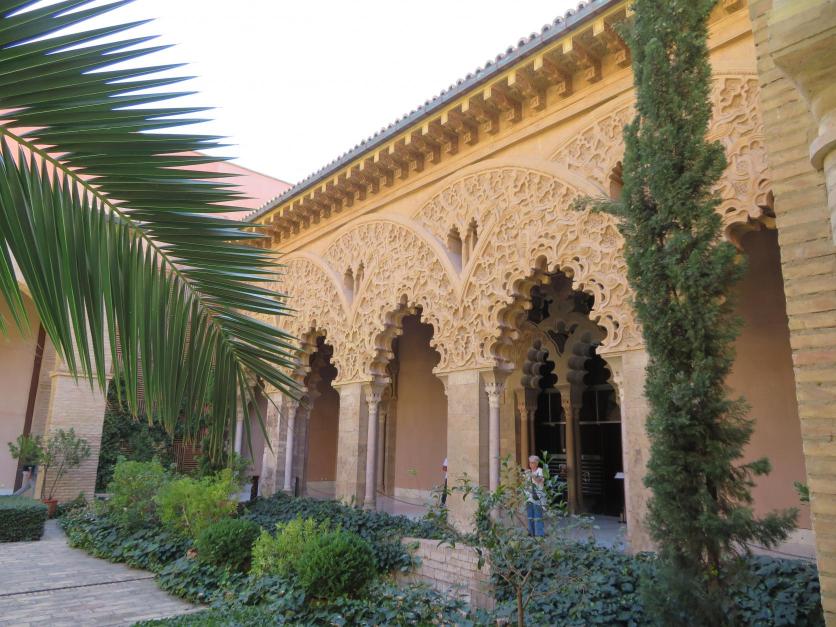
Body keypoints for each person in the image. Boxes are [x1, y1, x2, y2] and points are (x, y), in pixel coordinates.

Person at [524, 455, 546, 537]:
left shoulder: (540, 471)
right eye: (530, 462)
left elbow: (539, 480)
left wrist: (531, 474)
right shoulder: (528, 472)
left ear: (537, 463)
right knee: (530, 516)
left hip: (538, 497)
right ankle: (531, 533)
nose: (531, 464)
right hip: (529, 497)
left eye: (533, 463)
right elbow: (525, 485)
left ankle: (540, 534)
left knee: (538, 516)